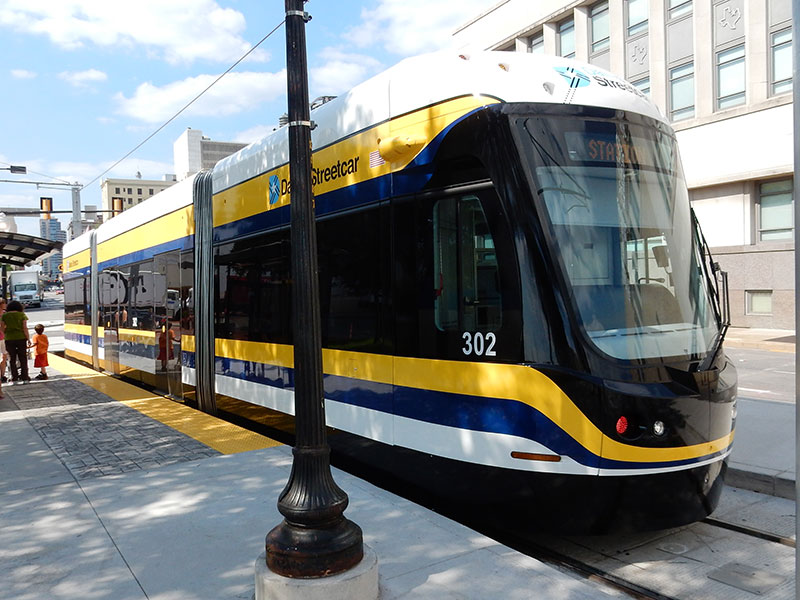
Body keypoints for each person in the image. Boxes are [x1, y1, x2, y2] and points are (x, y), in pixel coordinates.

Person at [1, 300, 29, 383]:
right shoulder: (22, 315)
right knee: (23, 358)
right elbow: (25, 328)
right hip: (21, 338)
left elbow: (2, 328)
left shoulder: (5, 316)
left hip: (9, 338)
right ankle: (25, 377)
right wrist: (28, 338)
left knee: (11, 359)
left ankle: (14, 377)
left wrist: (4, 335)